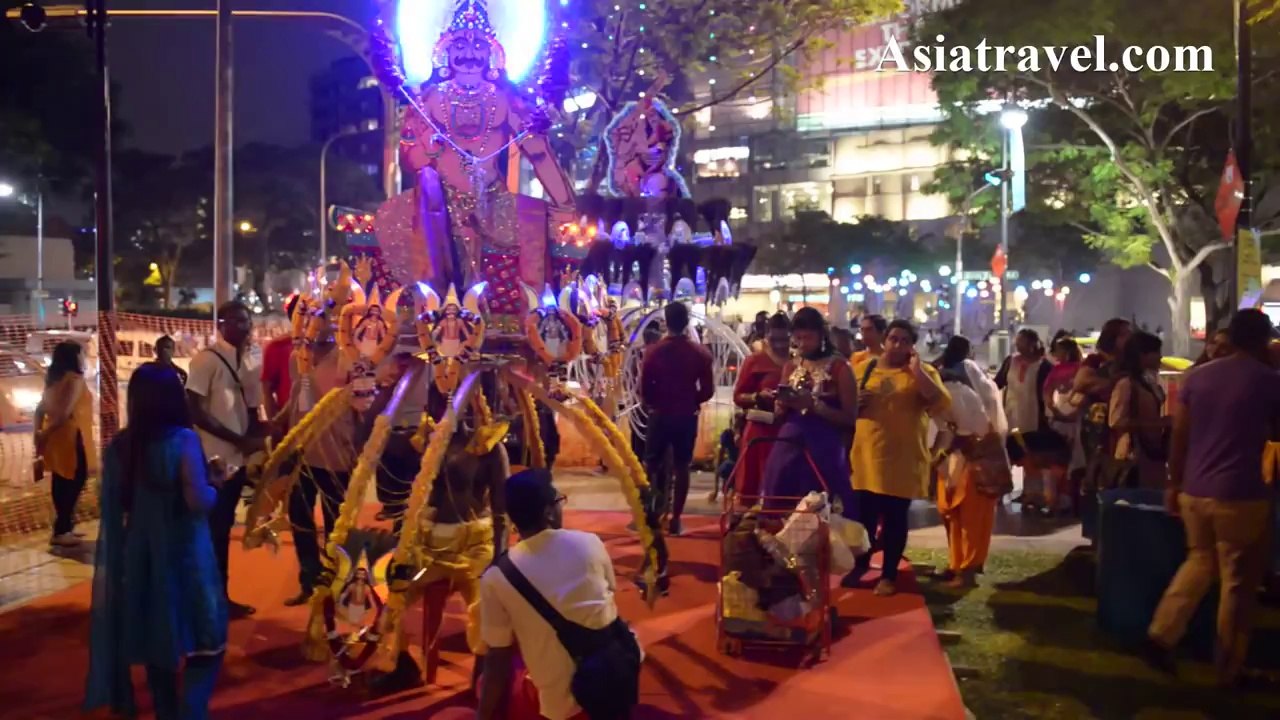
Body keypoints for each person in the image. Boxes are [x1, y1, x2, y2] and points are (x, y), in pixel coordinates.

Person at [84, 363, 227, 719]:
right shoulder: (183, 440)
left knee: (156, 639)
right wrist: (217, 483)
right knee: (206, 640)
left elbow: (116, 503)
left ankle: (166, 710)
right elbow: (199, 501)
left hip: (140, 554)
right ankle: (191, 710)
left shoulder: (121, 446)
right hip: (184, 552)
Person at [1145, 310, 1280, 688]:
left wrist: (1173, 484)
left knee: (1200, 562)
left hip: (1195, 489)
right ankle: (1230, 667)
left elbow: (1179, 434)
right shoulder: (1269, 382)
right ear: (1264, 340)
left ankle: (1161, 634)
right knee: (1238, 583)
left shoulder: (1197, 377)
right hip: (1242, 493)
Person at [476, 468, 631, 720]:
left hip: (561, 705)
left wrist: (482, 715)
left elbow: (498, 655)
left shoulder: (497, 577)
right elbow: (609, 590)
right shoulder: (589, 543)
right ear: (548, 513)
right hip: (615, 678)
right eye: (559, 501)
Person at [849, 320, 951, 596]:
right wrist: (854, 404)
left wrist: (917, 371)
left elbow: (940, 403)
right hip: (865, 457)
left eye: (905, 340)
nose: (897, 344)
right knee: (863, 521)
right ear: (884, 339)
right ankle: (861, 566)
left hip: (902, 460)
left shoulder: (923, 372)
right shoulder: (863, 369)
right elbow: (843, 407)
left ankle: (889, 574)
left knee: (895, 519)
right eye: (893, 338)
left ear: (912, 345)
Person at [186, 301, 265, 619]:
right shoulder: (206, 361)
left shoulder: (247, 362)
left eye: (246, 320)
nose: (243, 326)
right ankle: (210, 598)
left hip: (236, 460)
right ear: (221, 324)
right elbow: (194, 409)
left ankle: (217, 596)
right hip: (213, 460)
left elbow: (251, 411)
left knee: (222, 528)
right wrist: (238, 440)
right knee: (213, 530)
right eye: (235, 320)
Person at [759, 308, 858, 518]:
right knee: (779, 503)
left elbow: (849, 418)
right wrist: (779, 402)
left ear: (822, 336)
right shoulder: (791, 366)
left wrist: (814, 406)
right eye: (799, 337)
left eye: (809, 337)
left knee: (821, 508)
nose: (803, 343)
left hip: (823, 446)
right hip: (788, 444)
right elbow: (780, 412)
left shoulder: (840, 368)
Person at [284, 340, 357, 606]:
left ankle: (338, 584)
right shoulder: (298, 358)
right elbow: (293, 404)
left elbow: (362, 405)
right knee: (300, 520)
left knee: (336, 525)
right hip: (301, 456)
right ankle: (310, 581)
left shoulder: (348, 357)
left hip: (337, 456)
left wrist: (358, 451)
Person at [932, 336, 1007, 588]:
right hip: (955, 461)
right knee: (953, 514)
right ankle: (958, 565)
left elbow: (970, 428)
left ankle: (968, 569)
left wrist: (948, 446)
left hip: (974, 460)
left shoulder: (956, 390)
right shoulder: (955, 386)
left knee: (970, 516)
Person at [640, 302, 714, 536]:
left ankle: (650, 511)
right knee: (682, 467)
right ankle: (676, 517)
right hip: (685, 416)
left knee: (650, 464)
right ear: (687, 322)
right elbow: (708, 390)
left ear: (666, 321)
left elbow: (644, 387)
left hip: (659, 415)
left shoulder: (653, 351)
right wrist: (693, 400)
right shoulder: (700, 353)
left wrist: (653, 403)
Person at [34, 341, 97, 547]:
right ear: (74, 357)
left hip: (57, 439)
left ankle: (64, 528)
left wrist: (41, 432)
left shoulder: (53, 379)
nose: (84, 357)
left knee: (61, 480)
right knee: (76, 480)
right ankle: (62, 529)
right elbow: (64, 412)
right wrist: (45, 433)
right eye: (82, 353)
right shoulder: (75, 379)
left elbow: (41, 408)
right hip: (72, 435)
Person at [1074, 318, 1132, 529]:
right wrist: (1115, 383)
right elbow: (1081, 383)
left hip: (1120, 428)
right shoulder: (1096, 361)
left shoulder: (1131, 363)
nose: (1129, 338)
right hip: (1097, 427)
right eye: (1124, 334)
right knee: (1096, 472)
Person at [729, 311, 791, 503]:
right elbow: (738, 396)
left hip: (787, 431)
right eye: (774, 339)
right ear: (767, 335)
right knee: (753, 484)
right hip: (760, 430)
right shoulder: (754, 361)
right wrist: (757, 397)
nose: (779, 344)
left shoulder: (798, 361)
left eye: (784, 339)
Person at [1108, 331, 1169, 490]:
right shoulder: (1126, 384)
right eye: (1156, 352)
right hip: (1133, 454)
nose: (1160, 357)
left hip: (1150, 455)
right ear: (1142, 355)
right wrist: (1157, 423)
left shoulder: (1148, 382)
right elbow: (1116, 421)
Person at [1043, 335, 1085, 514]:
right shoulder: (1059, 370)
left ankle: (1068, 500)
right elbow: (1047, 391)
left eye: (1058, 350)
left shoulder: (1080, 370)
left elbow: (1083, 393)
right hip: (1063, 419)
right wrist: (1054, 411)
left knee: (1071, 461)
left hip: (1073, 420)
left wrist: (1057, 411)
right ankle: (1060, 500)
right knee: (1061, 461)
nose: (1055, 353)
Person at [995, 328, 1051, 433]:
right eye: (1017, 340)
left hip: (1033, 417)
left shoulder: (1043, 366)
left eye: (1021, 341)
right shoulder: (1010, 361)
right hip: (1011, 413)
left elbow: (1048, 392)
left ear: (1032, 344)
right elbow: (998, 382)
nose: (1017, 344)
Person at [260, 296, 299, 432]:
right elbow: (267, 391)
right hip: (289, 427)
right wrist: (274, 424)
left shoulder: (331, 347)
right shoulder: (277, 347)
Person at [709, 413, 745, 502]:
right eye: (735, 425)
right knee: (725, 467)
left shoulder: (746, 434)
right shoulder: (727, 434)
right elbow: (720, 456)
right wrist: (715, 489)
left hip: (743, 463)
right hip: (732, 463)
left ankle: (733, 488)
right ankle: (730, 486)